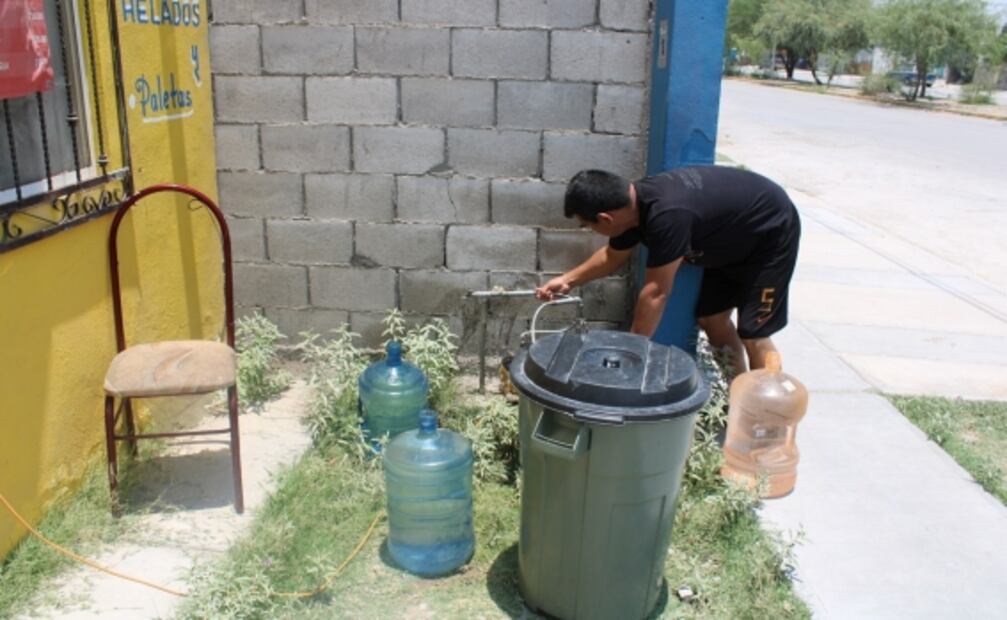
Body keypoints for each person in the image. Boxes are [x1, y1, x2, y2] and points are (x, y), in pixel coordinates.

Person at [535, 166, 801, 373]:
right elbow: (611, 257)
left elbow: (656, 293)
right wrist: (568, 280)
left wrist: (631, 351)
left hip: (770, 233)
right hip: (729, 239)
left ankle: (769, 416)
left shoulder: (667, 216)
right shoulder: (633, 208)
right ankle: (739, 395)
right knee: (712, 319)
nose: (591, 230)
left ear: (606, 218)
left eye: (588, 225)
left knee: (755, 333)